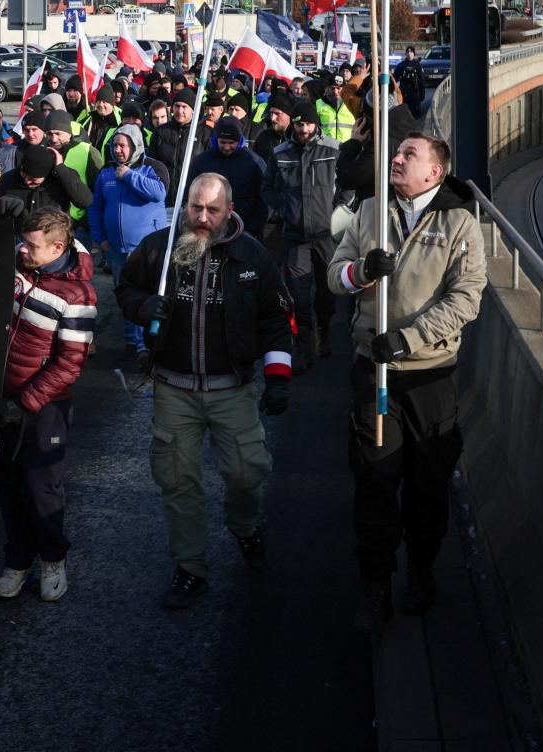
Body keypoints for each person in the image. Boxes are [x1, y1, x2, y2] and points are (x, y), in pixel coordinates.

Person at [328, 132, 485, 625]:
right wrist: (362, 273)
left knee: (427, 483)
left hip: (429, 377)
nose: (395, 159)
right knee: (374, 479)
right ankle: (375, 582)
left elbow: (467, 297)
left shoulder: (460, 222)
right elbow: (336, 275)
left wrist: (408, 338)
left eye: (407, 155)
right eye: (396, 153)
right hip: (372, 372)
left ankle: (421, 568)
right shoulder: (371, 210)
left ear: (434, 173)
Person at [117, 174, 292, 610]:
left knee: (248, 471)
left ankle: (245, 528)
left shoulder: (252, 257)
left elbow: (275, 319)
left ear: (229, 210)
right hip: (173, 387)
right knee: (178, 481)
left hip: (231, 387)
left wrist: (278, 377)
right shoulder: (160, 248)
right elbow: (126, 288)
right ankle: (190, 567)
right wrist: (142, 307)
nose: (201, 217)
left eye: (212, 210)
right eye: (195, 208)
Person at [0, 206, 94, 603]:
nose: (23, 250)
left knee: (42, 488)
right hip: (0, 399)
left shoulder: (78, 294)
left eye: (32, 246)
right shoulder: (17, 264)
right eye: (22, 241)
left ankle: (52, 559)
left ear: (57, 247)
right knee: (7, 484)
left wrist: (25, 402)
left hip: (45, 408)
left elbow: (70, 365)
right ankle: (17, 562)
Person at [268, 102, 346, 368]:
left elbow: (346, 185)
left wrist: (338, 211)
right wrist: (281, 211)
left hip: (326, 234)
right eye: (299, 124)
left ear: (316, 125)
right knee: (298, 295)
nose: (303, 129)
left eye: (308, 124)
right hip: (295, 235)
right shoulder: (281, 153)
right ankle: (304, 347)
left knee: (327, 290)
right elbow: (268, 188)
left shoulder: (332, 149)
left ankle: (324, 329)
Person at [87, 125, 168, 359]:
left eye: (123, 145)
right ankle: (133, 343)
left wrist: (130, 176)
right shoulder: (106, 173)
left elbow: (158, 193)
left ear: (135, 146)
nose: (118, 150)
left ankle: (152, 341)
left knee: (151, 295)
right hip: (116, 250)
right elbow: (96, 208)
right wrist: (100, 239)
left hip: (147, 250)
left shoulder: (152, 167)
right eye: (115, 145)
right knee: (126, 297)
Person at [188, 116, 267, 235]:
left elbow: (265, 198)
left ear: (239, 140)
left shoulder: (254, 163)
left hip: (244, 229)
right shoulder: (202, 161)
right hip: (208, 227)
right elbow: (189, 193)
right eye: (222, 142)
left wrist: (252, 228)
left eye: (231, 143)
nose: (226, 147)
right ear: (216, 139)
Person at [0, 144, 92, 217]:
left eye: (33, 180)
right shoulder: (8, 179)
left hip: (53, 239)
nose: (27, 182)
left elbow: (85, 201)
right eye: (24, 176)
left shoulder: (62, 177)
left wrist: (61, 170)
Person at [397, 48, 427, 118]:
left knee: (415, 113)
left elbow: (422, 80)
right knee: (405, 113)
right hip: (404, 93)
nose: (409, 54)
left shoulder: (417, 65)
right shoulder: (401, 65)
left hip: (415, 92)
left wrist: (422, 93)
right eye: (407, 52)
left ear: (414, 54)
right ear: (406, 54)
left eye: (411, 52)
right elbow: (395, 77)